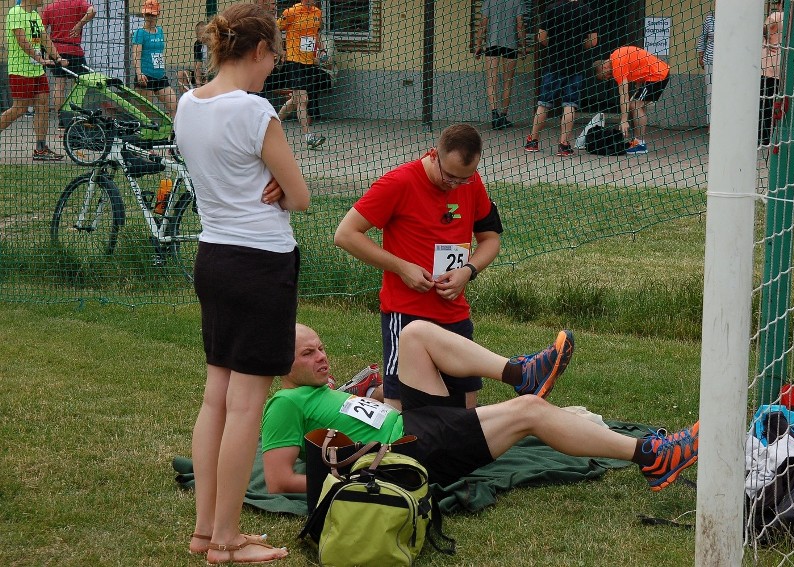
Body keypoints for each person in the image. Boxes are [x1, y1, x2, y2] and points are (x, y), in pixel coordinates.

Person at [173, 3, 310, 564]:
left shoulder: (186, 103)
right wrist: (277, 181)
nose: (273, 66)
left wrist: (268, 178)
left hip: (214, 258)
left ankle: (207, 530)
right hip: (260, 264)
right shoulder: (257, 113)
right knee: (246, 406)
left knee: (216, 398)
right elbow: (299, 196)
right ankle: (226, 541)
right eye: (274, 55)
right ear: (258, 50)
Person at [261, 322, 700, 494]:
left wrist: (369, 399)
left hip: (411, 422)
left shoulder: (321, 392)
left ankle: (519, 371)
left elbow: (356, 421)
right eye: (307, 354)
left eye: (321, 347)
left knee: (413, 335)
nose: (321, 357)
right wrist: (361, 480)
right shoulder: (284, 403)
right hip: (408, 452)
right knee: (529, 412)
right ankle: (653, 457)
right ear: (283, 365)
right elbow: (280, 479)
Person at [334, 124, 502, 411]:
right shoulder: (398, 182)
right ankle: (367, 393)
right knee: (402, 417)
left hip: (453, 312)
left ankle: (373, 389)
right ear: (434, 155)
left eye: (464, 178)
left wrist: (468, 271)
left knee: (464, 414)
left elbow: (490, 239)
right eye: (449, 176)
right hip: (407, 311)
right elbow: (345, 234)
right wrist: (402, 268)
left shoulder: (471, 183)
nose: (455, 185)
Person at [523, 0, 597, 157]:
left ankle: (533, 141)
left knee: (544, 103)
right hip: (575, 64)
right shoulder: (586, 10)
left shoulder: (551, 8)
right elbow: (593, 41)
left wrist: (555, 45)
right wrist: (577, 46)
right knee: (570, 104)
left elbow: (541, 37)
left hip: (554, 63)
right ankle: (564, 144)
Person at [0, 0, 68, 160]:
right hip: (20, 70)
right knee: (19, 108)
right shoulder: (15, 13)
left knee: (43, 104)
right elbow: (22, 40)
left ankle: (40, 149)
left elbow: (44, 39)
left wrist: (58, 57)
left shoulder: (35, 15)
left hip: (37, 70)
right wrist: (39, 58)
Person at [593, 46, 671, 155]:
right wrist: (639, 83)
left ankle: (640, 144)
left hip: (657, 75)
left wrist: (624, 120)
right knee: (635, 105)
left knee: (635, 105)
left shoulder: (617, 65)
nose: (607, 78)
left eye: (604, 76)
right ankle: (637, 141)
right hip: (655, 74)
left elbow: (624, 94)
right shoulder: (616, 55)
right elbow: (638, 62)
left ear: (604, 67)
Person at [270, 0, 326, 149]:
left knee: (295, 101)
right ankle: (309, 136)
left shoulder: (317, 13)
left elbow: (316, 34)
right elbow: (275, 28)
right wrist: (279, 49)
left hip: (309, 62)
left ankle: (271, 126)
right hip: (294, 61)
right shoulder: (291, 12)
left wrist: (322, 50)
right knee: (302, 99)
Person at [474, 0, 526, 130]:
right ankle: (503, 116)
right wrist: (524, 47)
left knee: (492, 81)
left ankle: (494, 115)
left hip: (492, 43)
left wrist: (478, 45)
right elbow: (520, 26)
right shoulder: (517, 2)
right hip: (511, 44)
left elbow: (483, 24)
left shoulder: (489, 1)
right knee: (507, 82)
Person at [41, 0, 95, 117]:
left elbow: (42, 32)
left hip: (56, 50)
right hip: (74, 50)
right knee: (80, 83)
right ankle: (75, 115)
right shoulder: (79, 2)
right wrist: (80, 24)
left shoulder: (50, 8)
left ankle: (61, 118)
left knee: (59, 84)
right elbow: (92, 11)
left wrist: (44, 52)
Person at [132, 0, 177, 117]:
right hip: (145, 78)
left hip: (160, 76)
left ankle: (171, 134)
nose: (150, 17)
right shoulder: (139, 33)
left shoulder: (160, 31)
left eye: (152, 14)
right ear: (143, 14)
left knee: (173, 106)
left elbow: (158, 53)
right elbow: (136, 55)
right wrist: (139, 73)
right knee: (147, 114)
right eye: (147, 14)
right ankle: (147, 135)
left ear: (158, 14)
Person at [760, 1, 783, 146]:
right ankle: (773, 134)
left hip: (769, 66)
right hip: (784, 67)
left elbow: (764, 28)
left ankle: (764, 136)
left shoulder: (776, 15)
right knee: (776, 103)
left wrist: (767, 39)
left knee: (765, 103)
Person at [177, 22, 209, 93]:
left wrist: (208, 78)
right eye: (198, 36)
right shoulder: (198, 44)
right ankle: (188, 99)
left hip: (212, 75)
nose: (201, 38)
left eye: (202, 35)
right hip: (202, 73)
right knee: (181, 74)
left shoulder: (213, 45)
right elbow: (197, 65)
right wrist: (198, 85)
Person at [696, 10, 714, 127]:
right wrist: (700, 56)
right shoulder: (709, 19)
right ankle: (710, 124)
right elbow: (702, 38)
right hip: (710, 59)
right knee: (711, 93)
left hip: (728, 62)